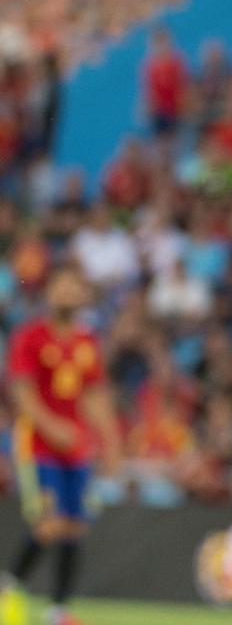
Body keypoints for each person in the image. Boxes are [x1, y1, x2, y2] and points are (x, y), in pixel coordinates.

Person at [0, 268, 122, 625]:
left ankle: (58, 610)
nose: (68, 292)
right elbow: (22, 394)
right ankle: (9, 588)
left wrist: (110, 441)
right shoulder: (30, 337)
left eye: (75, 286)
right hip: (36, 445)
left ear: (84, 296)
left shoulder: (87, 341)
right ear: (49, 293)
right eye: (62, 284)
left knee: (74, 526)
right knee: (49, 524)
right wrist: (53, 428)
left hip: (77, 449)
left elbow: (96, 396)